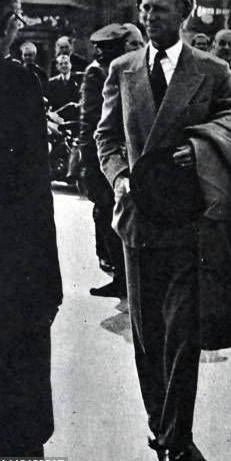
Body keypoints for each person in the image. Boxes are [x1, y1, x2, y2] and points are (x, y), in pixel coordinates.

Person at [94, 0, 231, 461]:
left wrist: (198, 152)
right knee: (146, 336)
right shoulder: (123, 69)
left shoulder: (213, 71)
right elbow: (106, 137)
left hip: (190, 225)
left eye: (157, 8)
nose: (147, 15)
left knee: (182, 336)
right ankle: (160, 424)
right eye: (143, 6)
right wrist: (118, 180)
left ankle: (177, 433)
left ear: (184, 12)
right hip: (138, 223)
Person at [0, 0, 62, 461]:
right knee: (16, 417)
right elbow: (36, 196)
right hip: (10, 274)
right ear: (5, 22)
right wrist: (49, 281)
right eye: (16, 19)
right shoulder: (17, 83)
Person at [78, 23, 129, 298]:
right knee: (111, 215)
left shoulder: (104, 72)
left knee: (108, 215)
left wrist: (88, 162)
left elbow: (92, 122)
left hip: (108, 156)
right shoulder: (107, 72)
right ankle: (123, 277)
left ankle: (122, 278)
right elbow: (91, 122)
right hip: (112, 156)